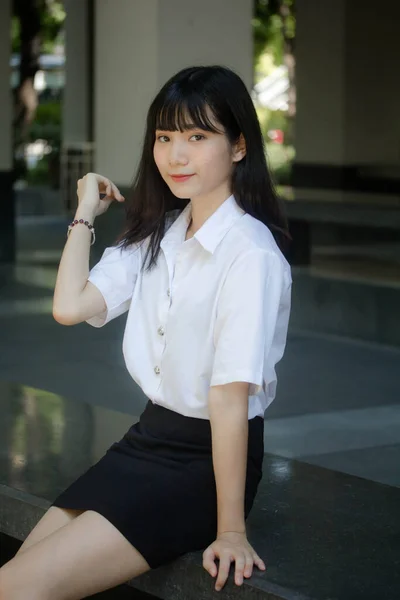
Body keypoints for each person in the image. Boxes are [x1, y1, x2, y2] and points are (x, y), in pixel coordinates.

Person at [0, 65, 292, 599]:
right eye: (164, 138)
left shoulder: (249, 254)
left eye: (197, 137)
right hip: (146, 442)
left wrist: (231, 531)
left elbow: (229, 399)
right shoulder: (160, 236)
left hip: (205, 465)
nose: (175, 155)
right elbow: (69, 306)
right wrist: (86, 211)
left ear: (239, 146)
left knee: (20, 588)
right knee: (13, 577)